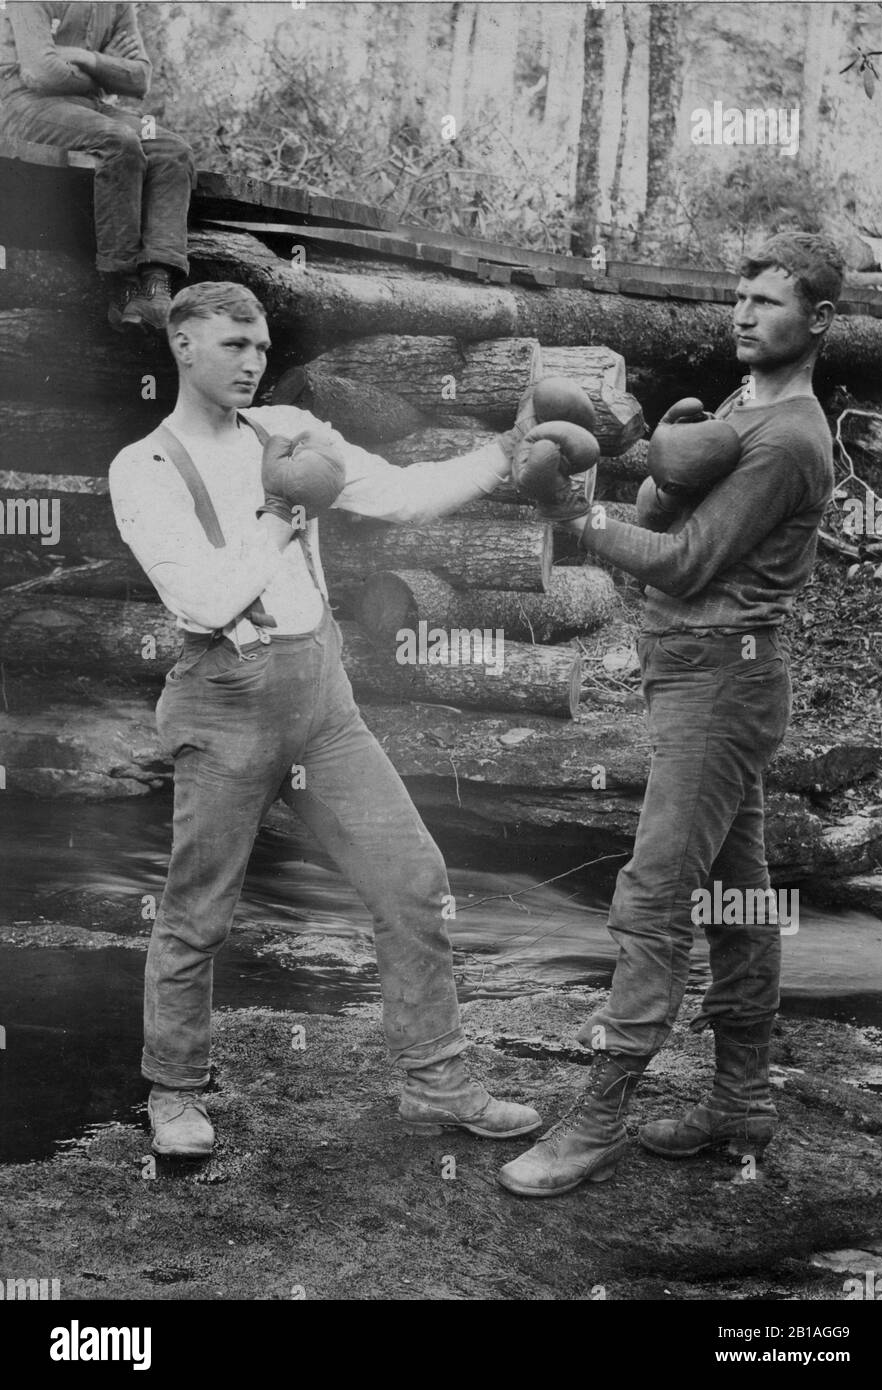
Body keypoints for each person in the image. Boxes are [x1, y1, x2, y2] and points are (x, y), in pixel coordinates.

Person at [108, 280, 542, 1158]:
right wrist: (278, 516)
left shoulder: (293, 432)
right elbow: (201, 595)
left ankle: (435, 1078)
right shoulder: (143, 467)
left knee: (412, 874)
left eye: (262, 346)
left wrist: (503, 454)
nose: (252, 360)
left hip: (322, 700)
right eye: (232, 344)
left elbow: (402, 495)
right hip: (225, 700)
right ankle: (176, 1092)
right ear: (183, 346)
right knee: (199, 910)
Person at [498, 232, 843, 1198]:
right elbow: (666, 508)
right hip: (701, 672)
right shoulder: (745, 404)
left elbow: (688, 561)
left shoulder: (791, 434)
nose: (743, 312)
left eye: (769, 301)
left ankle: (599, 1117)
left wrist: (579, 523)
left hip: (720, 679)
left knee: (655, 895)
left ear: (817, 321)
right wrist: (639, 461)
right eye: (739, 295)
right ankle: (739, 1105)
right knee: (738, 893)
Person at [0, 2, 193, 330]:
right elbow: (39, 72)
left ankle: (156, 282)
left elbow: (139, 79)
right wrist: (106, 74)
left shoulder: (116, 4)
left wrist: (87, 58)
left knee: (173, 149)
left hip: (89, 107)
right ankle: (123, 285)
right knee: (118, 140)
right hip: (22, 105)